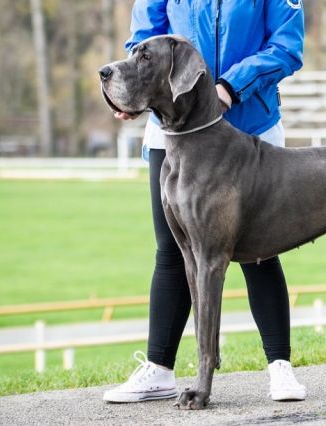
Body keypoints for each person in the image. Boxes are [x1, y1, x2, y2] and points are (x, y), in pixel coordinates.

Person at [102, 0, 306, 403]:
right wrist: (136, 87)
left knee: (260, 252)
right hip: (173, 128)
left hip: (250, 119)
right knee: (171, 250)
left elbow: (286, 47)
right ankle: (159, 369)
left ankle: (279, 367)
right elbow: (145, 39)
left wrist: (230, 87)